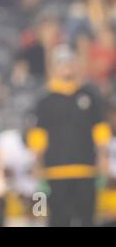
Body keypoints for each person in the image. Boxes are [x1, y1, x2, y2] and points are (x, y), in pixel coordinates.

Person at [27, 44, 111, 226]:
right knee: (58, 220)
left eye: (69, 62)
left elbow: (100, 129)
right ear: (53, 66)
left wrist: (104, 156)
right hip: (55, 171)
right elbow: (38, 135)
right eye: (61, 62)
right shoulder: (45, 99)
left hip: (86, 169)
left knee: (87, 219)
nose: (66, 66)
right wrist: (37, 162)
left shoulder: (90, 94)